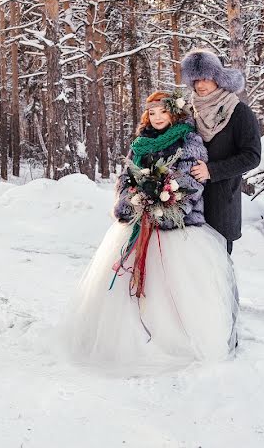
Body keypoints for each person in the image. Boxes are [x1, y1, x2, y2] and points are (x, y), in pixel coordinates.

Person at [63, 91, 238, 369]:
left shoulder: (189, 140)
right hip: (140, 219)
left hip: (177, 226)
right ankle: (127, 340)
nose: (156, 118)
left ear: (173, 113)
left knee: (173, 289)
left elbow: (191, 181)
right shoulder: (141, 143)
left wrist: (164, 199)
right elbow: (125, 177)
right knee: (126, 286)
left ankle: (173, 341)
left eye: (162, 112)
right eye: (152, 113)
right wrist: (131, 198)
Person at [180, 50, 262, 255]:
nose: (200, 85)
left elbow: (252, 156)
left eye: (206, 78)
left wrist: (212, 171)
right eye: (195, 79)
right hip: (189, 205)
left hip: (222, 205)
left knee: (219, 274)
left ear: (218, 77)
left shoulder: (239, 112)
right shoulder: (188, 111)